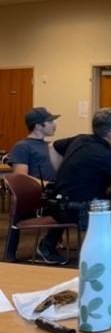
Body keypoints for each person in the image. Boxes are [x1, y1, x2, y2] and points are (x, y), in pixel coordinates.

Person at [42, 108, 111, 271]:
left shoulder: (82, 139)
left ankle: (106, 252)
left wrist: (63, 174)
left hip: (58, 204)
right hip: (78, 210)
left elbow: (52, 147)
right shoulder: (103, 155)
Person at [6, 107, 60, 261]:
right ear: (38, 125)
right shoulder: (23, 146)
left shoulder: (50, 145)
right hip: (38, 196)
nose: (54, 125)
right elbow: (21, 177)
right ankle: (47, 246)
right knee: (67, 206)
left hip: (53, 193)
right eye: (50, 121)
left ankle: (48, 245)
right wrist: (47, 184)